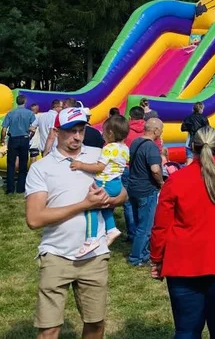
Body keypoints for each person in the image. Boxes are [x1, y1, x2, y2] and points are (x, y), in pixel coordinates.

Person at [25, 106, 127, 339]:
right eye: (71, 131)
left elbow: (123, 195)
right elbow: (34, 218)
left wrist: (110, 199)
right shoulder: (42, 168)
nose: (77, 137)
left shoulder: (98, 155)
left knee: (95, 323)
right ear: (57, 131)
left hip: (94, 256)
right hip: (56, 254)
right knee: (49, 329)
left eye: (81, 130)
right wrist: (84, 205)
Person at [150, 126, 215, 338]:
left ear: (191, 147)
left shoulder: (176, 180)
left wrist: (157, 258)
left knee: (186, 330)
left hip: (183, 265)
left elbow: (161, 226)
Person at [69, 115, 131, 256]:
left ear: (110, 133)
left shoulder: (109, 148)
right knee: (105, 208)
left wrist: (80, 165)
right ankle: (111, 229)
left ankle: (91, 239)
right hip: (116, 183)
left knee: (91, 208)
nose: (102, 134)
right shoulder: (125, 148)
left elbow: (99, 167)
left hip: (105, 183)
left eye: (103, 131)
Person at [125, 118, 165, 266]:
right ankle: (136, 258)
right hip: (146, 189)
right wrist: (161, 182)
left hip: (133, 187)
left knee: (137, 223)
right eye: (161, 130)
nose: (161, 133)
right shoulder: (151, 147)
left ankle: (143, 252)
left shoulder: (136, 142)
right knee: (145, 227)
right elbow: (155, 169)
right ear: (155, 130)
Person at [0, 95, 37, 195]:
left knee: (11, 164)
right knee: (23, 164)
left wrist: (2, 139)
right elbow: (33, 128)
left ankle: (10, 189)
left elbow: (4, 129)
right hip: (24, 139)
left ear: (16, 102)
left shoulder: (10, 113)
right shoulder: (30, 113)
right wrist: (30, 136)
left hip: (13, 139)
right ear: (25, 101)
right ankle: (21, 188)